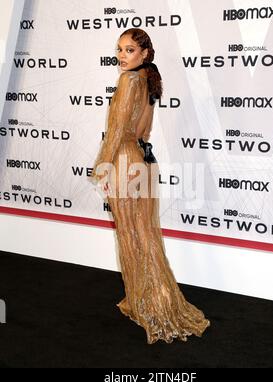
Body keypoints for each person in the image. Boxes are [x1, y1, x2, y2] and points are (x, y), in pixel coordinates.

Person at [90, 28, 210, 344]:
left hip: (126, 160)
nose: (121, 55)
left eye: (129, 50)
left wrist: (102, 166)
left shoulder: (129, 81)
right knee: (147, 236)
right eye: (119, 49)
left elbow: (116, 131)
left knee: (131, 236)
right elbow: (145, 130)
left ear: (144, 53)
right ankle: (158, 303)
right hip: (146, 160)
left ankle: (148, 308)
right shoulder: (149, 79)